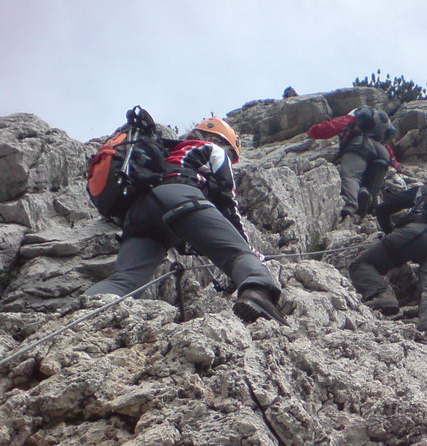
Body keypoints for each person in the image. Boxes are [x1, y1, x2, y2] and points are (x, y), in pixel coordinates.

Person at [85, 113, 286, 325]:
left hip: (138, 216)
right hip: (179, 196)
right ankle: (258, 291)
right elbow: (227, 200)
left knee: (124, 280)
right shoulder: (211, 150)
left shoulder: (161, 152)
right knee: (237, 254)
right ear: (221, 141)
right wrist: (248, 250)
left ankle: (84, 310)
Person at [349, 165, 427, 337]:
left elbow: (383, 209)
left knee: (362, 264)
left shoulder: (424, 191)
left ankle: (382, 294)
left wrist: (391, 234)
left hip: (414, 233)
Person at [307, 106, 398, 222]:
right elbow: (390, 154)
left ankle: (350, 206)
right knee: (372, 183)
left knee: (351, 175)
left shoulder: (356, 115)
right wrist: (396, 165)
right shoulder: (382, 125)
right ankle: (367, 198)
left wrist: (312, 131)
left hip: (361, 145)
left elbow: (334, 126)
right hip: (383, 153)